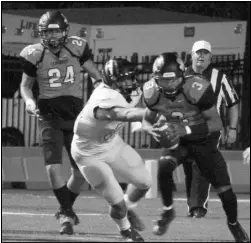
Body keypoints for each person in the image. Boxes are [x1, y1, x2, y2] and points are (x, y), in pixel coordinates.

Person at [141, 52, 249, 242]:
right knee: (164, 167)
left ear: (182, 76)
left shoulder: (197, 87)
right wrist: (152, 131)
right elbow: (146, 121)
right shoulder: (152, 92)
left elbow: (216, 124)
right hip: (178, 141)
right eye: (162, 81)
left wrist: (185, 130)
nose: (168, 85)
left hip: (203, 139)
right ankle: (168, 211)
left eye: (172, 80)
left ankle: (233, 223)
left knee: (225, 190)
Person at [19, 10, 103, 235]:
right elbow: (26, 85)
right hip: (49, 115)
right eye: (48, 32)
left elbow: (96, 76)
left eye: (56, 32)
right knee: (52, 168)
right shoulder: (34, 54)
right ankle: (66, 211)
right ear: (42, 33)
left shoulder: (77, 47)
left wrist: (99, 88)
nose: (53, 37)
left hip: (76, 116)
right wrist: (28, 102)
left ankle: (65, 210)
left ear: (65, 32)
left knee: (81, 173)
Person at [71, 58, 152, 242]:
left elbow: (135, 107)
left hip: (112, 143)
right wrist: (151, 115)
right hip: (88, 154)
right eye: (123, 80)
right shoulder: (104, 98)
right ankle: (125, 230)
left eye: (129, 78)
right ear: (112, 81)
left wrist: (147, 122)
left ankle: (129, 206)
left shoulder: (131, 90)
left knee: (145, 182)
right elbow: (124, 114)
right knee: (118, 206)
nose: (129, 83)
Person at [183, 40, 240, 218]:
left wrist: (232, 128)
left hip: (209, 129)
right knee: (188, 167)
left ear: (210, 57)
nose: (201, 55)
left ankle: (198, 206)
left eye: (205, 53)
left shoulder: (219, 77)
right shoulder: (182, 76)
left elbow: (233, 103)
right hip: (185, 129)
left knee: (201, 164)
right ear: (191, 55)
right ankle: (193, 204)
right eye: (198, 52)